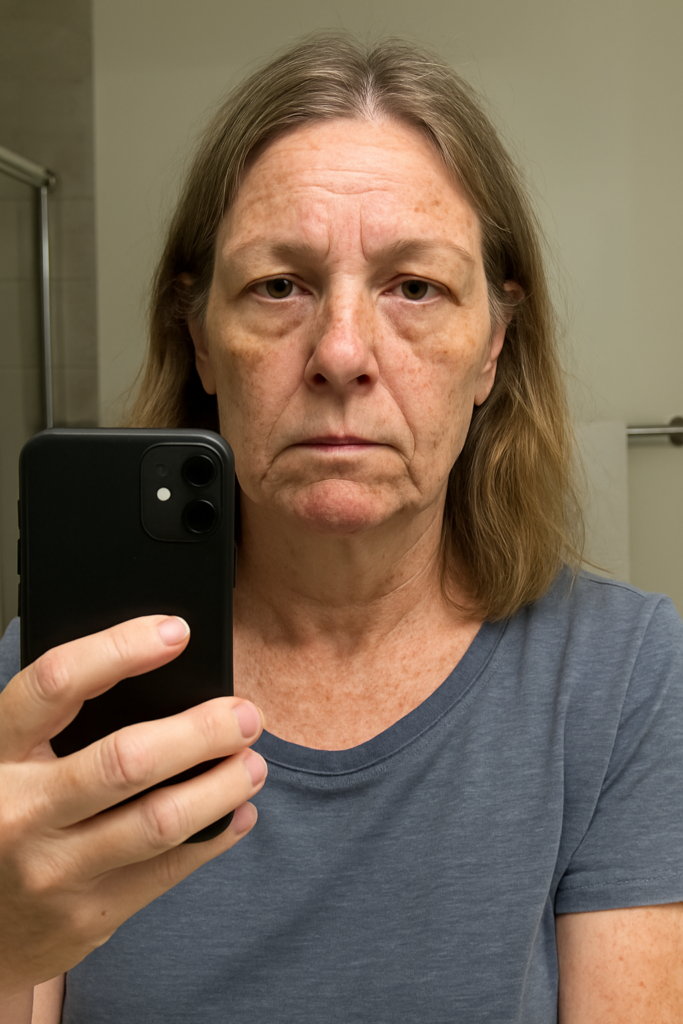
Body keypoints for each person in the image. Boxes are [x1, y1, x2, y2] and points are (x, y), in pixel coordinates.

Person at [1, 33, 682, 1024]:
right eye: (279, 285)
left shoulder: (621, 675)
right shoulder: (62, 680)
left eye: (415, 287)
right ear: (200, 339)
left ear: (492, 346)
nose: (341, 352)